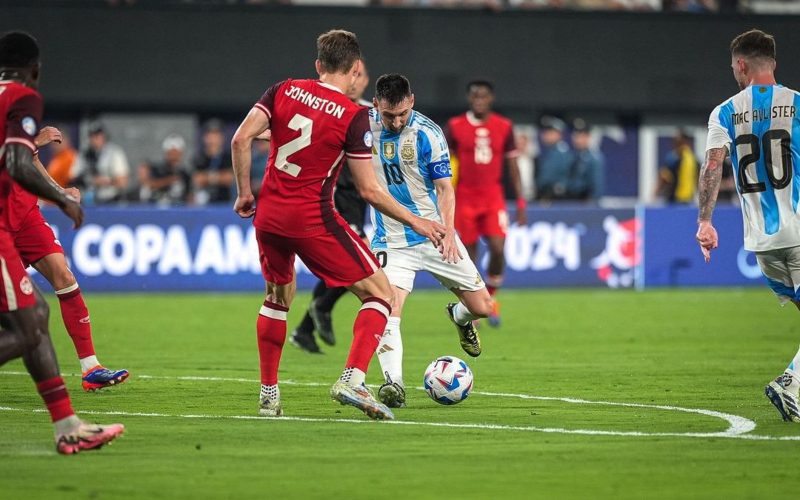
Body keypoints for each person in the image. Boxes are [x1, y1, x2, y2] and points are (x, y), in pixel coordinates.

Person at [230, 29, 445, 420]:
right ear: (356, 69)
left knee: (277, 299)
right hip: (312, 218)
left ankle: (268, 395)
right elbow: (369, 191)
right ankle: (352, 378)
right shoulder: (353, 115)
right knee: (381, 294)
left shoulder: (283, 89)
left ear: (318, 65)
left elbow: (241, 139)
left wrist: (245, 193)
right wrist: (420, 221)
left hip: (269, 215)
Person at [0, 31, 123, 453]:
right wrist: (62, 197)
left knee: (56, 285)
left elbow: (23, 157)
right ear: (34, 68)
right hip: (2, 218)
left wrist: (58, 191)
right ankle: (67, 423)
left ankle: (88, 372)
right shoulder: (21, 97)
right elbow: (17, 158)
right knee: (28, 319)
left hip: (24, 212)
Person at [368, 74, 493, 408]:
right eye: (388, 115)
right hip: (390, 239)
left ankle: (460, 317)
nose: (395, 122)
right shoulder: (360, 125)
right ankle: (392, 384)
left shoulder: (429, 133)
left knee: (483, 307)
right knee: (388, 310)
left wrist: (449, 232)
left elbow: (444, 188)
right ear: (376, 104)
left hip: (435, 235)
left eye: (401, 114)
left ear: (412, 100)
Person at [696, 28, 800, 423]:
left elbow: (712, 166)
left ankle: (795, 386)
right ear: (773, 62)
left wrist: (705, 222)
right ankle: (790, 382)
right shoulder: (797, 105)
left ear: (741, 65)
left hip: (761, 242)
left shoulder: (723, 112)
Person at [9, 125, 129, 391]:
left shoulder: (15, 113)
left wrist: (58, 192)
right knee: (21, 311)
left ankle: (90, 367)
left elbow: (31, 160)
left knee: (64, 276)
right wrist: (34, 142)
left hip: (27, 214)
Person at [289, 61, 371, 354]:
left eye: (361, 75)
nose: (356, 80)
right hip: (339, 193)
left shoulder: (368, 113)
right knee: (356, 259)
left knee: (346, 261)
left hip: (362, 198)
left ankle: (304, 330)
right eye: (353, 73)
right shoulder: (329, 107)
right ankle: (321, 307)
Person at [446, 80, 526, 327]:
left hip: (493, 197)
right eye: (475, 96)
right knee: (469, 255)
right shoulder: (455, 126)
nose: (479, 100)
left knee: (498, 248)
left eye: (484, 96)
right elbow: (444, 164)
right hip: (465, 197)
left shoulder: (504, 126)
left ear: (491, 99)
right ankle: (474, 303)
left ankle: (490, 299)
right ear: (470, 99)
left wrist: (521, 201)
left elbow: (513, 168)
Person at [71, 122, 130, 204]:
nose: (94, 139)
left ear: (104, 136)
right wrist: (89, 180)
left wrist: (106, 181)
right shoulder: (83, 154)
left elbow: (123, 182)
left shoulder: (114, 152)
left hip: (111, 200)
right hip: (87, 200)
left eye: (97, 135)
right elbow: (72, 176)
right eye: (92, 136)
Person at [138, 133, 192, 205]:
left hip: (177, 208)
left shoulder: (185, 173)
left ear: (181, 153)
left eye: (176, 152)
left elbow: (189, 195)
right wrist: (168, 181)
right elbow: (147, 183)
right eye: (171, 153)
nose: (173, 156)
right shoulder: (158, 169)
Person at [194, 119, 234, 205]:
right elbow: (198, 180)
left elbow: (229, 179)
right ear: (205, 137)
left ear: (222, 137)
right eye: (210, 134)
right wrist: (219, 177)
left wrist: (207, 177)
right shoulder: (199, 158)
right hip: (203, 204)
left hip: (224, 202)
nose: (213, 138)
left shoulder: (229, 157)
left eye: (216, 134)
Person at [534, 115, 573, 201]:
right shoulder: (548, 152)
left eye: (550, 133)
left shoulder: (563, 152)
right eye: (545, 132)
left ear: (559, 134)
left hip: (558, 197)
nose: (546, 135)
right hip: (545, 195)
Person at [567, 118, 605, 202]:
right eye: (575, 136)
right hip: (573, 200)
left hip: (586, 202)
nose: (577, 140)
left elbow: (596, 186)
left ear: (588, 137)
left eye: (581, 136)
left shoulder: (594, 158)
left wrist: (591, 205)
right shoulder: (575, 157)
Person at [656, 129, 698, 204]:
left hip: (675, 199)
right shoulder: (693, 158)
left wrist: (656, 192)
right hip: (688, 199)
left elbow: (664, 176)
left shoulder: (675, 157)